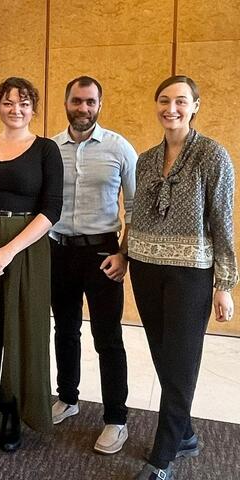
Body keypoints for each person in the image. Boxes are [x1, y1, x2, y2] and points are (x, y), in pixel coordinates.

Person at [128, 75, 237, 480]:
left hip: (191, 274)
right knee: (162, 356)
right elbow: (137, 213)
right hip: (143, 267)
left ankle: (162, 458)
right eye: (163, 100)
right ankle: (186, 433)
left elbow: (222, 223)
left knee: (182, 360)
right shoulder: (145, 159)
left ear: (195, 106)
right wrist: (124, 256)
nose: (170, 108)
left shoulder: (213, 155)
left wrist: (224, 284)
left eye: (179, 101)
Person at [0, 77, 63, 452]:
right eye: (7, 103)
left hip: (27, 247)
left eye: (23, 103)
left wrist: (7, 252)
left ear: (33, 108)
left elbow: (52, 209)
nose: (15, 109)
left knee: (24, 332)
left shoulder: (47, 150)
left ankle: (12, 414)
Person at [49, 76, 137, 454]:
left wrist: (124, 254)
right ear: (66, 103)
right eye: (76, 101)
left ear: (99, 105)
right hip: (58, 251)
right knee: (65, 331)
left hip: (104, 254)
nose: (82, 108)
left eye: (90, 102)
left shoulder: (120, 148)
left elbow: (135, 210)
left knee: (107, 337)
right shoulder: (50, 148)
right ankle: (68, 399)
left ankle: (116, 419)